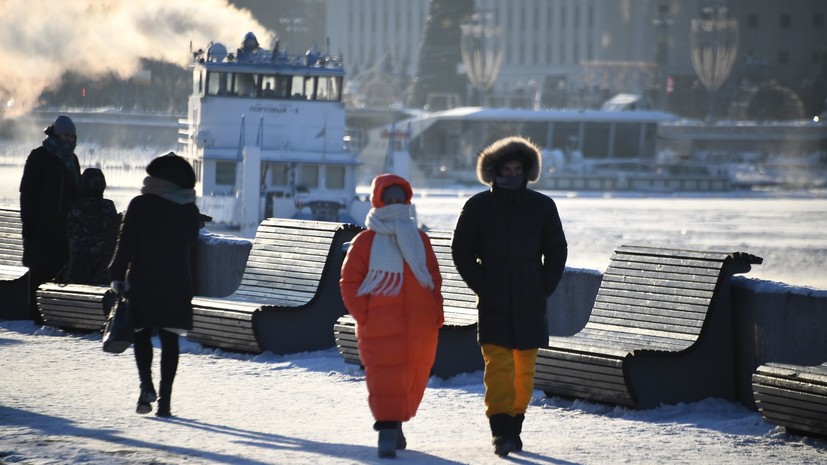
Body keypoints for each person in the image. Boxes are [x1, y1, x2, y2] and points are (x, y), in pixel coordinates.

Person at [451, 136, 567, 457]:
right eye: (507, 169)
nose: (513, 175)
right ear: (493, 171)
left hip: (531, 301)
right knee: (499, 368)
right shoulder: (477, 207)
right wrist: (482, 285)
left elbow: (556, 250)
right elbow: (461, 250)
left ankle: (514, 426)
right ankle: (500, 431)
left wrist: (544, 285)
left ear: (527, 171)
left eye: (518, 169)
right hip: (493, 302)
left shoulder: (542, 206)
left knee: (523, 372)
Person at [339, 174, 444, 459]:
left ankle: (395, 425)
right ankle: (386, 430)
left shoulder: (419, 239)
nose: (396, 205)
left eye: (401, 200)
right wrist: (365, 315)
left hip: (420, 325)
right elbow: (349, 282)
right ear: (378, 201)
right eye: (390, 200)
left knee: (412, 376)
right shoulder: (366, 242)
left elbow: (433, 279)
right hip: (379, 325)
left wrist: (436, 312)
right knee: (385, 377)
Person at [108, 152, 202, 418]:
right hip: (177, 282)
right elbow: (190, 239)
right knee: (170, 340)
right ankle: (166, 402)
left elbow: (125, 243)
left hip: (144, 279)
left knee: (141, 333)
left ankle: (146, 386)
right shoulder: (188, 208)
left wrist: (116, 274)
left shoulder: (140, 204)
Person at [19, 115, 81, 323]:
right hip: (40, 229)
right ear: (56, 134)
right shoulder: (39, 157)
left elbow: (76, 193)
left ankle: (56, 317)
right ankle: (36, 317)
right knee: (39, 273)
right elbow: (27, 192)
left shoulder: (72, 161)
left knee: (59, 271)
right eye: (65, 135)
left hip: (64, 229)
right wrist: (29, 223)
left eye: (72, 136)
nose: (69, 140)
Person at [57, 168, 120, 285]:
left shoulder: (76, 207)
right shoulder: (108, 206)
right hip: (104, 266)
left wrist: (68, 269)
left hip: (80, 268)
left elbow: (72, 239)